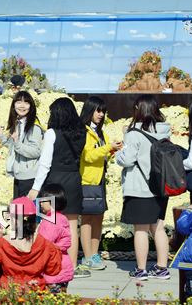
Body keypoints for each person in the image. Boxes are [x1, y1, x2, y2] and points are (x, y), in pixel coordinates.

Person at [27, 97, 86, 278]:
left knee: (50, 224)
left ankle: (52, 262)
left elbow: (45, 163)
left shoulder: (52, 133)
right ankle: (73, 265)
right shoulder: (81, 131)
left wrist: (36, 187)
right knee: (72, 226)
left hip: (54, 182)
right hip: (74, 180)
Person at [116, 94, 171, 280]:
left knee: (140, 229)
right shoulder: (165, 131)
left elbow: (128, 160)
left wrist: (119, 153)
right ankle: (162, 268)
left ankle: (141, 270)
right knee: (158, 228)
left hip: (140, 187)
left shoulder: (133, 134)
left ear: (139, 109)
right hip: (161, 187)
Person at [78, 96, 123, 273]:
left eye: (103, 111)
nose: (101, 114)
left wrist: (112, 149)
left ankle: (94, 255)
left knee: (98, 217)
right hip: (87, 180)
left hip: (99, 179)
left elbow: (101, 156)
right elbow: (88, 156)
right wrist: (107, 148)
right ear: (89, 110)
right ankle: (87, 256)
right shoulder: (84, 131)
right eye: (98, 110)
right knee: (87, 219)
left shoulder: (100, 132)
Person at [0, 196, 62, 289]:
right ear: (34, 220)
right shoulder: (46, 245)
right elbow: (53, 270)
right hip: (35, 292)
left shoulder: (2, 243)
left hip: (9, 292)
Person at [0, 91, 43, 198]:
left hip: (29, 177)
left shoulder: (34, 127)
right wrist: (2, 136)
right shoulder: (18, 123)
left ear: (31, 106)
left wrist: (17, 143)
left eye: (26, 102)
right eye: (18, 102)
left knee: (25, 212)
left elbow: (36, 151)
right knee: (18, 212)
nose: (22, 106)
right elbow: (14, 146)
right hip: (18, 176)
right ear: (13, 105)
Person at [37, 184, 74, 293]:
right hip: (63, 266)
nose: (40, 203)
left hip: (53, 269)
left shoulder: (51, 221)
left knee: (51, 298)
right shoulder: (61, 217)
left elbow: (44, 243)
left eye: (43, 201)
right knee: (61, 297)